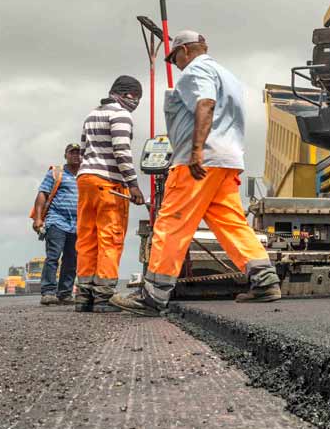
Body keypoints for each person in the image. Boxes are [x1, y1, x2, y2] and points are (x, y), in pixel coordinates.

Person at [111, 31, 281, 316]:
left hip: (200, 162)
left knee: (172, 222)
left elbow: (206, 103)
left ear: (186, 50)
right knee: (231, 223)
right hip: (227, 160)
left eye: (174, 57)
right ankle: (264, 280)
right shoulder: (229, 76)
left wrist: (196, 150)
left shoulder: (195, 71)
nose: (175, 64)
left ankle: (154, 295)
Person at [75, 76, 146, 312]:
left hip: (86, 180)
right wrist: (132, 184)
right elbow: (121, 151)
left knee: (87, 237)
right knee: (110, 237)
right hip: (109, 183)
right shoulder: (121, 115)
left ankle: (84, 296)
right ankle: (104, 297)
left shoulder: (91, 115)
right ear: (126, 95)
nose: (136, 103)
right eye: (136, 97)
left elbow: (83, 150)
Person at [31, 143, 82, 305]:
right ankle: (48, 292)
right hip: (57, 220)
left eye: (79, 153)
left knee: (71, 259)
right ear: (65, 155)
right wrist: (38, 218)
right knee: (53, 256)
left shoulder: (85, 175)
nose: (76, 155)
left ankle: (65, 293)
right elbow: (42, 194)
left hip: (78, 224)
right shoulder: (56, 173)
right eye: (72, 152)